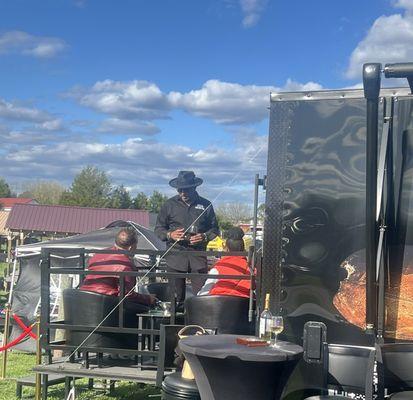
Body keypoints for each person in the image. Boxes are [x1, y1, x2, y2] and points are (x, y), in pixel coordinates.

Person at [155, 170, 219, 302]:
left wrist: (204, 237)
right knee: (175, 298)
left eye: (186, 190)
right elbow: (158, 229)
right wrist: (170, 234)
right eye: (180, 190)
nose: (183, 193)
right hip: (175, 256)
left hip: (198, 257)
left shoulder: (206, 205)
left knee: (202, 296)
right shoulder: (169, 205)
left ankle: (198, 322)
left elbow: (215, 229)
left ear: (194, 188)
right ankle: (175, 321)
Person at [79, 227, 156, 313]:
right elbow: (127, 295)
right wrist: (148, 299)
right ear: (131, 247)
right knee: (147, 311)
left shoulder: (97, 255)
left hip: (84, 299)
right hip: (106, 304)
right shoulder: (126, 265)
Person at [198, 226, 252, 297]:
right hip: (243, 304)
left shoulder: (220, 266)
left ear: (227, 249)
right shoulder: (251, 267)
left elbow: (204, 292)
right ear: (243, 249)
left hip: (218, 303)